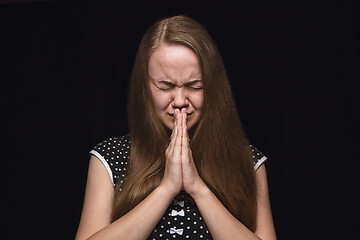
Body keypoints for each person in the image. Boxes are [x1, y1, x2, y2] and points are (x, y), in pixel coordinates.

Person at [76, 15, 276, 240]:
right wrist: (167, 188)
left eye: (194, 86)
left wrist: (198, 189)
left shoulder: (247, 161)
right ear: (145, 87)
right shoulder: (110, 157)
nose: (180, 100)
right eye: (165, 86)